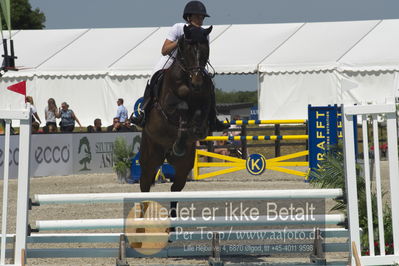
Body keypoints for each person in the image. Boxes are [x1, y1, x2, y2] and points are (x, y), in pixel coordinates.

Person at [131, 0, 229, 132]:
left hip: (194, 64)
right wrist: (179, 41)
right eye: (198, 16)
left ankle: (213, 118)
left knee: (209, 84)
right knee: (153, 78)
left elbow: (203, 53)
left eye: (202, 17)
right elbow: (164, 50)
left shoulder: (204, 33)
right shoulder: (178, 28)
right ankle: (143, 112)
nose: (201, 19)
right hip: (172, 60)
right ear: (189, 17)